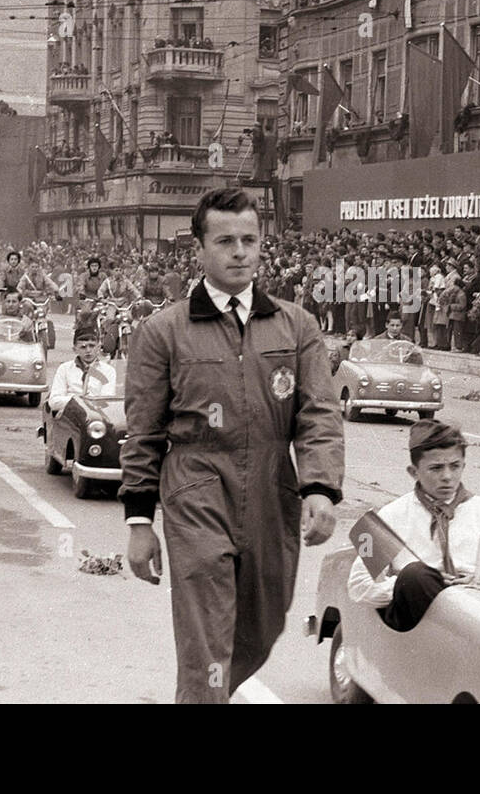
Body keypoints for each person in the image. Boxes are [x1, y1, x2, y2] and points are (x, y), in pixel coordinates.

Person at [119, 188, 344, 703]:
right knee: (206, 629)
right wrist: (139, 522)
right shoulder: (163, 332)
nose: (240, 251)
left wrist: (319, 487)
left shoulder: (296, 324)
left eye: (249, 239)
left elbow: (318, 413)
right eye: (225, 241)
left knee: (263, 627)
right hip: (196, 488)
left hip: (272, 488)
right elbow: (144, 431)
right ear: (199, 248)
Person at [346, 420, 480, 630]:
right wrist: (410, 585)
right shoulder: (389, 515)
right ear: (413, 472)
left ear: (464, 466)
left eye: (455, 466)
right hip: (415, 617)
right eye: (436, 468)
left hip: (474, 613)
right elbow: (358, 585)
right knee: (416, 575)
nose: (447, 477)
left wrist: (479, 581)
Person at [46, 323, 116, 413]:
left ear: (98, 347)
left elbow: (107, 400)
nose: (88, 351)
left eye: (92, 346)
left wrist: (85, 402)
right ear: (75, 349)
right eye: (83, 347)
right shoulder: (65, 369)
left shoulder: (108, 370)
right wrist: (78, 401)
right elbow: (54, 401)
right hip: (70, 415)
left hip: (97, 416)